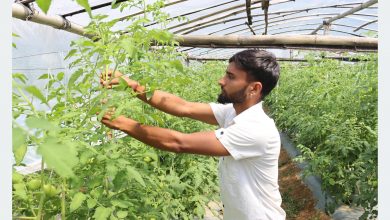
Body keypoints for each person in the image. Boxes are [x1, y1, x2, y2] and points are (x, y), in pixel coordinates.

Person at [100, 49, 286, 220]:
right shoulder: (233, 112)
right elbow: (183, 107)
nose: (221, 81)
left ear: (254, 88)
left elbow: (179, 142)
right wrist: (131, 85)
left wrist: (121, 123)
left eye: (230, 77)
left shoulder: (256, 129)